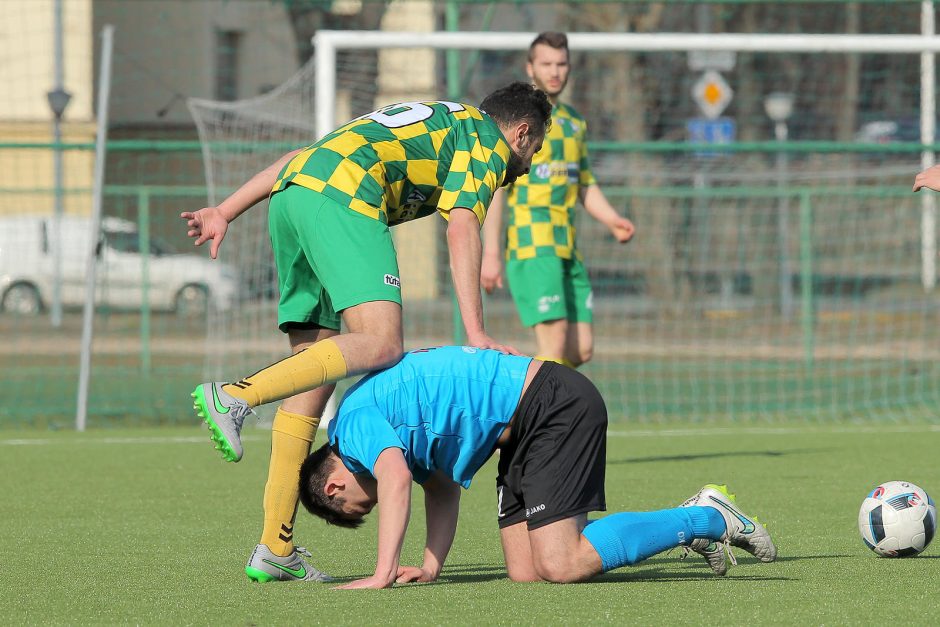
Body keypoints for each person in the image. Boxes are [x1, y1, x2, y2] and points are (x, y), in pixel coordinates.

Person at [181, 83, 553, 583]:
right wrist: (477, 332)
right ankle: (235, 396)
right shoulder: (487, 141)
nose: (529, 161)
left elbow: (302, 155)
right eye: (536, 148)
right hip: (344, 199)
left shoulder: (442, 121)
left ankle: (275, 544)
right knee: (381, 342)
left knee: (310, 385)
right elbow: (463, 227)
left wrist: (225, 210)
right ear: (522, 131)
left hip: (293, 196)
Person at [298, 346, 777, 588]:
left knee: (561, 563)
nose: (377, 499)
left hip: (553, 405)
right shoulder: (376, 429)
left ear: (335, 485)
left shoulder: (353, 426)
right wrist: (429, 566)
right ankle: (686, 525)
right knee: (527, 572)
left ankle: (707, 516)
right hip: (524, 430)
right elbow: (440, 487)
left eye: (363, 507)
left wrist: (382, 572)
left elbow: (398, 480)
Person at [481, 32, 636, 368]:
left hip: (568, 248)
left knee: (579, 351)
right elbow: (496, 191)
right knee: (553, 348)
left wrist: (612, 219)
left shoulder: (574, 123)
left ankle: (520, 401)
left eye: (561, 63)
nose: (555, 71)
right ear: (530, 67)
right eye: (546, 63)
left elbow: (584, 183)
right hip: (534, 246)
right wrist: (490, 254)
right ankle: (530, 417)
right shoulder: (518, 125)